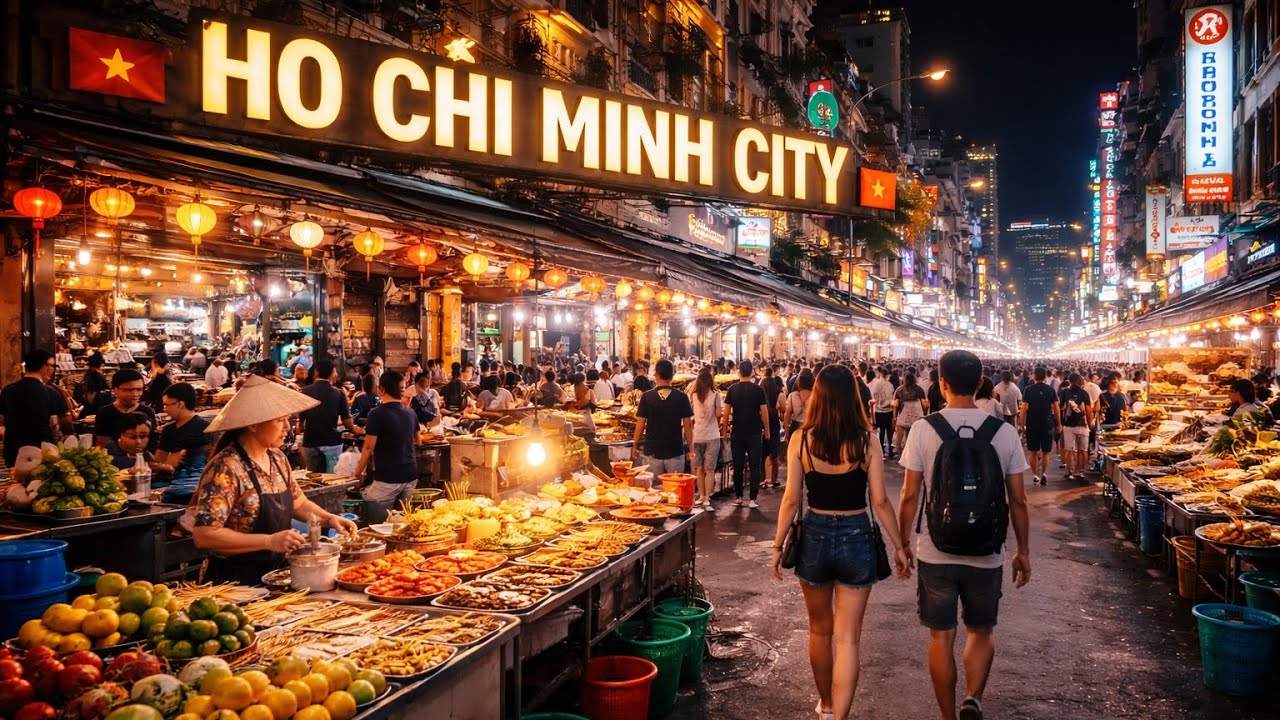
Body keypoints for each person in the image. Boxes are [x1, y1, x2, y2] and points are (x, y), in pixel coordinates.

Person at [897, 351, 1032, 720]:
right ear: (980, 382)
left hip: (935, 550)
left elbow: (910, 495)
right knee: (981, 630)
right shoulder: (1002, 433)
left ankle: (947, 716)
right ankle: (972, 697)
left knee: (941, 636)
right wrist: (1023, 550)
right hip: (987, 551)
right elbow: (1018, 500)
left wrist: (902, 543)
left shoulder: (925, 429)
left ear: (941, 384)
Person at [770, 364, 909, 720]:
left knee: (818, 630)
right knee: (847, 639)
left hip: (814, 534)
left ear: (817, 395)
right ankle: (840, 717)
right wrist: (899, 546)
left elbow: (790, 498)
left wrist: (777, 546)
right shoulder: (867, 440)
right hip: (856, 533)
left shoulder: (801, 438)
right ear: (853, 396)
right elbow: (879, 501)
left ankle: (827, 705)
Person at [192, 375, 356, 584]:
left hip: (274, 576)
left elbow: (300, 503)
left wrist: (329, 519)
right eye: (280, 420)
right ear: (253, 425)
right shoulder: (226, 468)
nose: (287, 427)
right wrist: (269, 541)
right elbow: (204, 535)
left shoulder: (277, 458)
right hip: (233, 584)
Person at [354, 371, 420, 522]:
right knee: (401, 522)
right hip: (410, 475)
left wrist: (358, 473)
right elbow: (418, 440)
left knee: (377, 522)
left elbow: (368, 447)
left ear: (381, 389)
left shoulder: (376, 414)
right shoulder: (410, 412)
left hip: (388, 478)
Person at [632, 359, 694, 482]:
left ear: (657, 375)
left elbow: (640, 424)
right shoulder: (681, 397)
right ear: (672, 375)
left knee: (653, 492)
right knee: (675, 490)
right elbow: (688, 426)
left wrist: (635, 445)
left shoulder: (647, 397)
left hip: (652, 451)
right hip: (675, 450)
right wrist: (691, 449)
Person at [0, 350, 60, 467]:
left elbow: (1, 419)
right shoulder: (51, 392)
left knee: (16, 483)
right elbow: (60, 422)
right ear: (45, 367)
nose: (53, 369)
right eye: (52, 365)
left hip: (13, 450)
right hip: (42, 451)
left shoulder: (8, 390)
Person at [298, 360, 358, 473]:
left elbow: (300, 423)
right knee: (331, 480)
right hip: (331, 443)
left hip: (310, 443)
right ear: (333, 373)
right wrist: (355, 428)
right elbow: (348, 424)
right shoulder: (339, 393)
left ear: (316, 373)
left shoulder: (305, 391)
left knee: (312, 479)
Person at [724, 361, 768, 509]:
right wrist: (767, 431)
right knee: (755, 466)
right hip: (755, 433)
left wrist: (724, 431)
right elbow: (764, 413)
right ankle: (753, 499)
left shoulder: (732, 389)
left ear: (739, 372)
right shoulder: (758, 390)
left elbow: (726, 413)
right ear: (752, 373)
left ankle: (738, 497)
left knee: (738, 466)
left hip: (737, 433)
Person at [155, 383, 212, 485]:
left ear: (180, 404)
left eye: (166, 404)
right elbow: (159, 460)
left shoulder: (206, 429)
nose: (164, 409)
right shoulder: (168, 430)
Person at [687, 367, 724, 508]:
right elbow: (719, 415)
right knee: (710, 469)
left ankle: (701, 495)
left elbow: (690, 417)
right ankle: (707, 497)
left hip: (697, 435)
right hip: (712, 436)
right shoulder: (716, 396)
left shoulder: (694, 395)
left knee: (699, 469)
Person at [94, 368, 157, 449]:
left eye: (139, 389)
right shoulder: (105, 413)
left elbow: (152, 445)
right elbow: (102, 446)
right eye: (129, 390)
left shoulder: (148, 412)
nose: (135, 394)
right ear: (115, 390)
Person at [1020, 367, 1060, 486]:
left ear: (1034, 376)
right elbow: (1056, 408)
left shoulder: (1028, 390)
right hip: (1047, 424)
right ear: (1045, 377)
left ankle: (1035, 475)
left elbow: (1023, 409)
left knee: (1033, 451)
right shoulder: (1050, 390)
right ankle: (1044, 474)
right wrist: (1059, 423)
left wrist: (1023, 425)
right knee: (1045, 452)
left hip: (1032, 424)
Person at [1059, 373, 1094, 482]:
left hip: (1068, 426)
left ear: (1069, 381)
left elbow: (1060, 408)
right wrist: (1090, 423)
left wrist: (1059, 423)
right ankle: (1081, 471)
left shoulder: (1064, 392)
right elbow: (1088, 410)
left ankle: (1070, 472)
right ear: (1080, 382)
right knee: (1082, 450)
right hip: (1082, 425)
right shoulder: (1084, 393)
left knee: (1069, 449)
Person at [760, 366, 786, 489]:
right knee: (774, 453)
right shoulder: (779, 393)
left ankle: (765, 478)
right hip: (774, 424)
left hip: (761, 425)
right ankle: (774, 480)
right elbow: (784, 410)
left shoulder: (760, 392)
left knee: (763, 452)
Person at [892, 372, 928, 456]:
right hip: (917, 415)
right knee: (911, 439)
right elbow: (925, 404)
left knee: (898, 440)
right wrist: (924, 413)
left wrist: (894, 417)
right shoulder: (919, 389)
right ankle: (909, 456)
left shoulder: (899, 389)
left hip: (903, 415)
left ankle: (901, 456)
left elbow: (895, 405)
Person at [75, 352, 114, 419]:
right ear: (101, 364)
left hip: (87, 409)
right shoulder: (98, 376)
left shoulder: (88, 375)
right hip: (96, 409)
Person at [782, 369, 815, 442]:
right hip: (811, 428)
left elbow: (787, 414)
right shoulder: (816, 396)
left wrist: (787, 430)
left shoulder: (792, 396)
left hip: (795, 428)